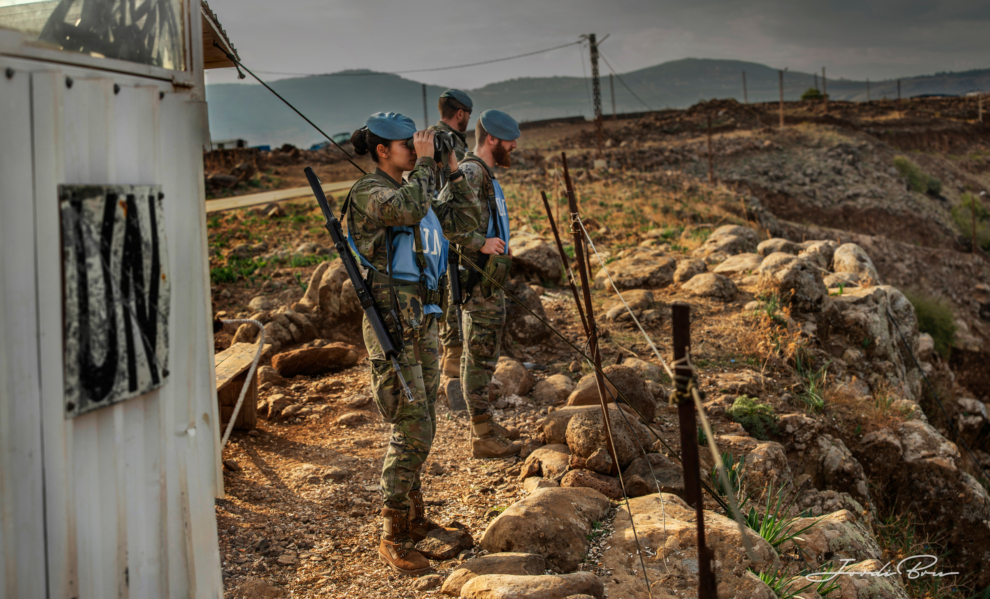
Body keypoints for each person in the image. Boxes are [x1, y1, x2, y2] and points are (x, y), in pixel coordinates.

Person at [346, 112, 481, 575]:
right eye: (408, 144)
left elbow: (460, 225)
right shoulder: (371, 191)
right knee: (412, 426)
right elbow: (403, 209)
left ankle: (415, 519)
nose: (415, 149)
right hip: (393, 328)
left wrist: (452, 170)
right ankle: (393, 533)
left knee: (424, 422)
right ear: (382, 150)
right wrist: (426, 166)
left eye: (417, 144)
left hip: (420, 323)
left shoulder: (419, 189)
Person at [441, 109, 524, 459]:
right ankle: (481, 437)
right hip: (477, 282)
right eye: (509, 140)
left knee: (484, 357)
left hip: (489, 282)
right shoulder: (472, 171)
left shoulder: (484, 174)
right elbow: (440, 216)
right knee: (478, 359)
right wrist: (479, 242)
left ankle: (486, 427)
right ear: (492, 139)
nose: (514, 146)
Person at [428, 89, 472, 379]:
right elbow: (456, 185)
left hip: (430, 222)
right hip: (450, 223)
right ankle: (454, 358)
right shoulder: (449, 141)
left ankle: (449, 355)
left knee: (442, 284)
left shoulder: (426, 138)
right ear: (460, 114)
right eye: (467, 114)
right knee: (453, 284)